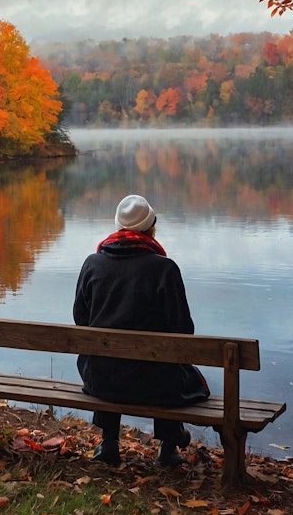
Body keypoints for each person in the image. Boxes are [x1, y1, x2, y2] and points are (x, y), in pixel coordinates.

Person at [73, 194, 210, 467]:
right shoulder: (164, 269)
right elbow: (183, 332)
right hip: (154, 383)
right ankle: (169, 445)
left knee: (108, 358)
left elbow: (81, 319)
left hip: (101, 380)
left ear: (118, 228)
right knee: (169, 365)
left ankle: (109, 442)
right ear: (151, 228)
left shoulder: (92, 263)